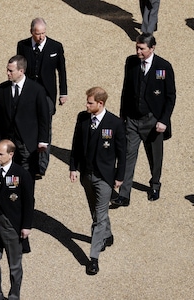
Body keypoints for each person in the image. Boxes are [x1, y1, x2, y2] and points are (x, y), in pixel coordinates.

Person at [111, 33, 175, 207]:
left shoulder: (163, 67)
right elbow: (126, 89)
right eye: (137, 47)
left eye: (142, 48)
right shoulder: (131, 62)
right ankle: (124, 195)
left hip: (152, 121)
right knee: (127, 155)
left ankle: (155, 185)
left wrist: (163, 120)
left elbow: (170, 97)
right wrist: (122, 116)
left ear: (152, 48)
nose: (138, 51)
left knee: (155, 157)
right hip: (132, 119)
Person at [69, 87, 126, 275]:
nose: (86, 105)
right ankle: (107, 236)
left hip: (105, 177)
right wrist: (73, 167)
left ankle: (93, 258)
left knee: (99, 217)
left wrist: (119, 177)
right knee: (95, 211)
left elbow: (121, 153)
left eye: (90, 102)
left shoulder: (115, 123)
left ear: (100, 104)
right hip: (86, 174)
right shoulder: (82, 118)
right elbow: (76, 144)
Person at [17, 17, 68, 178]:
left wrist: (63, 93)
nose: (41, 37)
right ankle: (28, 160)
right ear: (31, 32)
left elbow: (62, 71)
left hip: (47, 94)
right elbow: (19, 69)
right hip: (28, 94)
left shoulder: (55, 46)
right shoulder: (23, 45)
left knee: (45, 127)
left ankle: (41, 165)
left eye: (43, 33)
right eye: (38, 34)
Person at [0, 139, 34, 299]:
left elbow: (28, 201)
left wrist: (26, 225)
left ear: (10, 154)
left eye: (1, 153)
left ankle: (14, 296)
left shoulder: (21, 174)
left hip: (11, 224)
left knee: (14, 266)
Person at [0, 54, 50, 186]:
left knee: (27, 177)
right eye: (7, 69)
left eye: (10, 71)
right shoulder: (2, 89)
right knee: (10, 174)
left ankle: (26, 204)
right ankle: (12, 201)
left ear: (21, 71)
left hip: (27, 143)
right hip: (8, 141)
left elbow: (43, 118)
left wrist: (43, 140)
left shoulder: (37, 90)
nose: (7, 73)